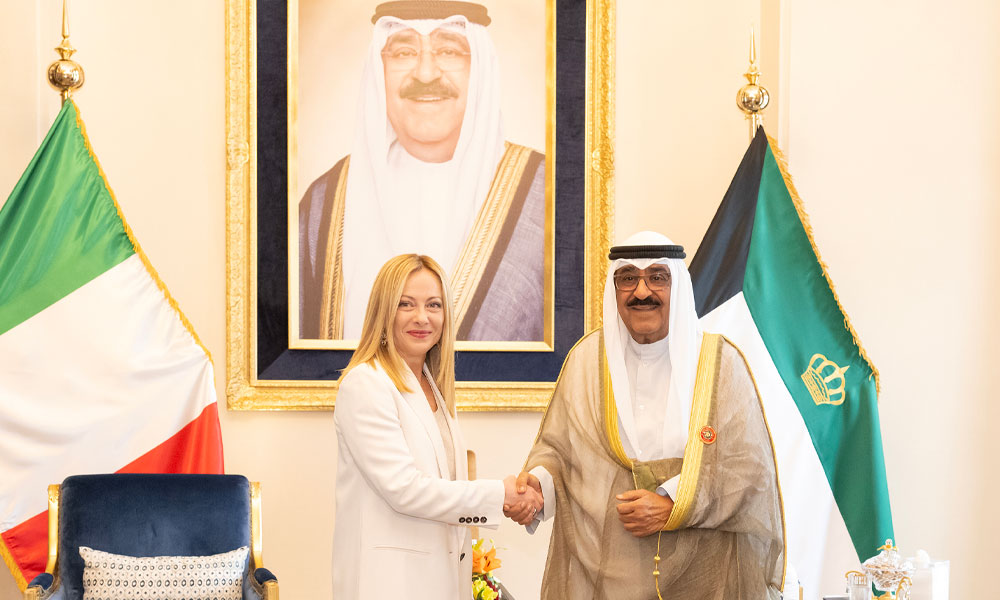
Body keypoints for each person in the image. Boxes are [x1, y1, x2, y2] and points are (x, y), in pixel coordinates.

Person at [508, 231, 785, 599]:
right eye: (628, 278)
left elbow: (748, 470)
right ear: (614, 288)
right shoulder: (587, 360)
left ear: (678, 285)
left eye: (657, 277)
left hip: (704, 575)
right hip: (608, 576)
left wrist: (674, 503)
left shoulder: (720, 363)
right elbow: (560, 452)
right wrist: (539, 488)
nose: (641, 292)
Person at [300, 1, 545, 342]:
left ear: (479, 68)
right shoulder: (324, 203)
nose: (426, 74)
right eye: (403, 52)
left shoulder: (546, 197)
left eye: (449, 50)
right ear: (380, 70)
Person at [332, 253, 542, 599]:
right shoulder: (366, 383)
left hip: (442, 580)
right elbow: (405, 489)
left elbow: (445, 485)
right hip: (389, 583)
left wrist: (509, 497)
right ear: (383, 311)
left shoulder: (433, 385)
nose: (422, 317)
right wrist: (499, 495)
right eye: (406, 304)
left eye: (434, 305)